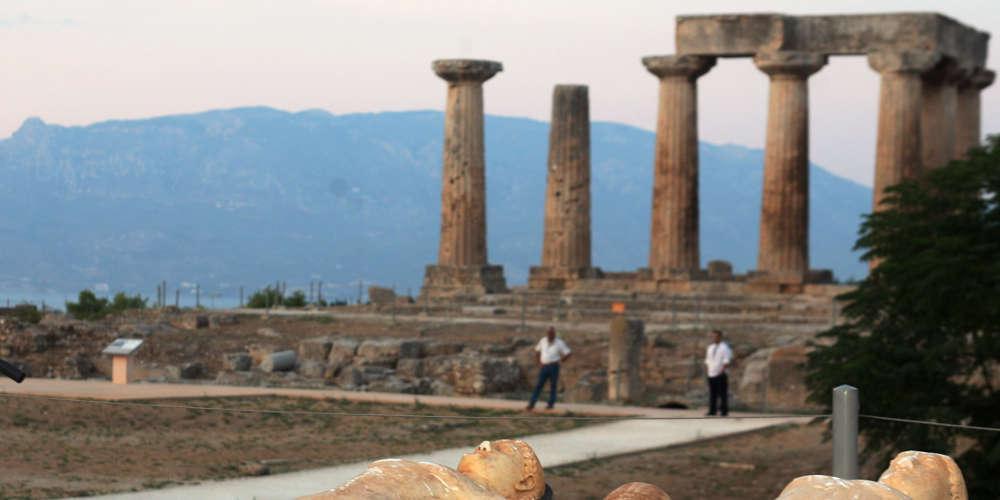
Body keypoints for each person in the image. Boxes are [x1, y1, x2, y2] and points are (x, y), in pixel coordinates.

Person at [526, 326, 571, 411]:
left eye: (552, 334)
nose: (550, 335)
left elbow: (568, 352)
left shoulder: (559, 342)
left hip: (554, 366)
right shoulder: (543, 341)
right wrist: (539, 361)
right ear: (547, 334)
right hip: (544, 366)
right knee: (539, 385)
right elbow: (537, 350)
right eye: (549, 334)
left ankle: (550, 404)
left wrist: (561, 361)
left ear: (554, 334)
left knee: (553, 386)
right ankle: (532, 404)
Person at [705, 329, 732, 416]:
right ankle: (712, 410)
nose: (714, 338)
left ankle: (724, 411)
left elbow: (726, 361)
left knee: (722, 393)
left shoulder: (725, 348)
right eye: (712, 336)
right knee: (712, 393)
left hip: (720, 373)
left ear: (720, 337)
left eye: (715, 336)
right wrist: (708, 370)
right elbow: (708, 360)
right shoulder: (710, 348)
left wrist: (722, 371)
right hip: (711, 372)